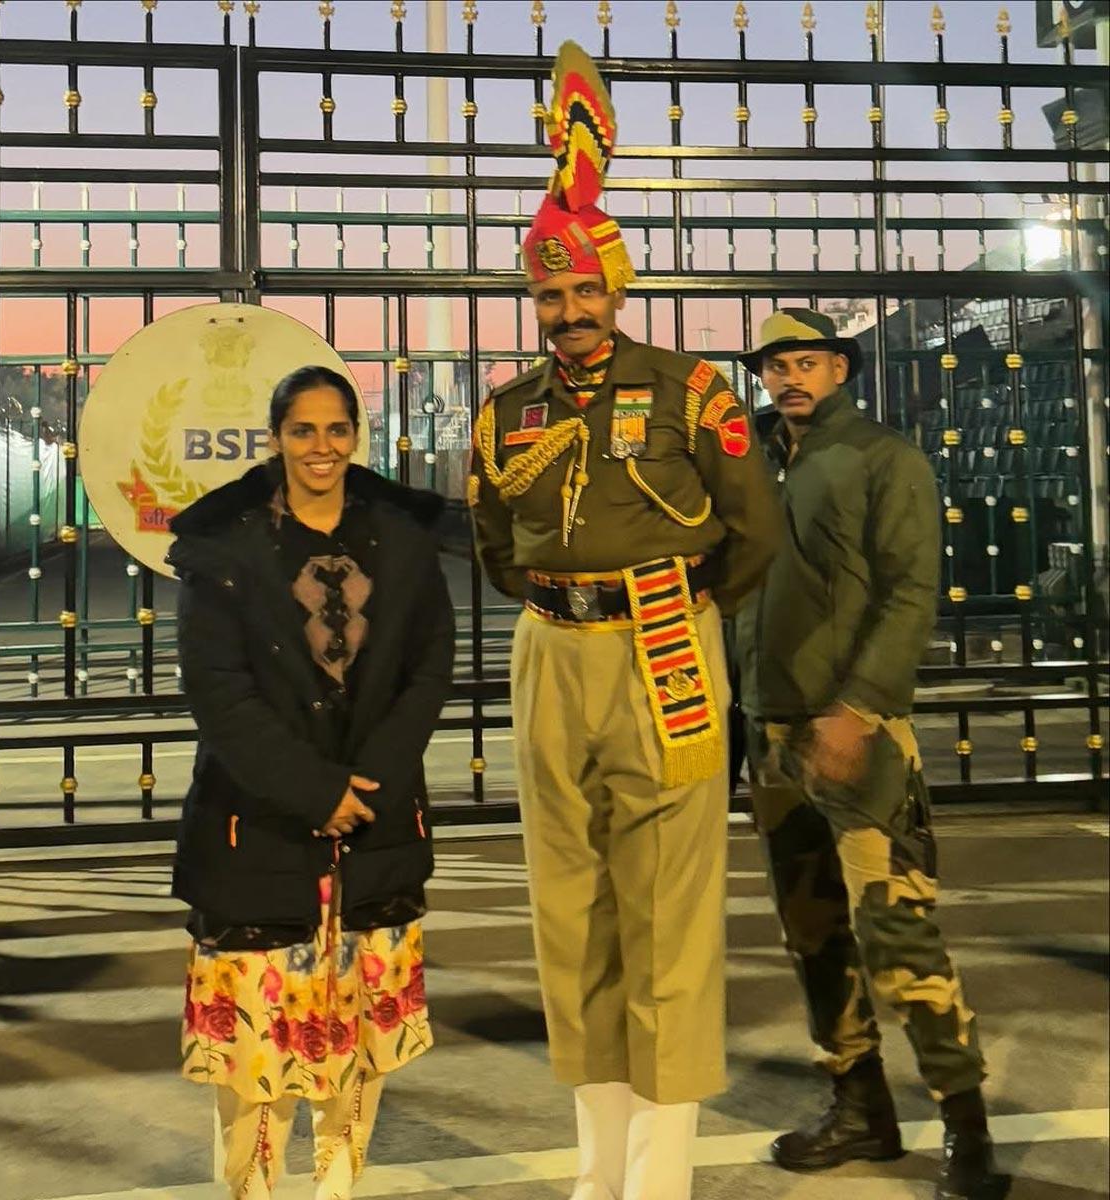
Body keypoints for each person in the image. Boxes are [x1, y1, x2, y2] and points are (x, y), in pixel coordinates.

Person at [469, 42, 781, 1200]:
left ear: (619, 286)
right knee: (569, 908)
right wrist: (565, 605)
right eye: (547, 294)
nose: (565, 312)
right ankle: (598, 1170)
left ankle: (662, 1180)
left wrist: (685, 608)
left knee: (671, 917)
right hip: (551, 649)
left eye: (583, 289)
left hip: (662, 643)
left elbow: (753, 534)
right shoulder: (504, 414)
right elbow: (498, 547)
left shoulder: (694, 391)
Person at [733, 309, 1005, 1200]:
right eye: (776, 366)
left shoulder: (884, 459)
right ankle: (859, 1105)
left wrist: (858, 707)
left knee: (897, 930)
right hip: (771, 734)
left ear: (839, 369)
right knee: (811, 931)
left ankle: (968, 1128)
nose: (790, 378)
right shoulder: (752, 463)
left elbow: (909, 593)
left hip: (859, 735)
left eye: (806, 362)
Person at [168, 364, 455, 1200]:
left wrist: (372, 776)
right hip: (258, 826)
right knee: (260, 1046)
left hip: (378, 818)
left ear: (354, 436)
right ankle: (254, 1186)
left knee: (363, 1033)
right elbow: (219, 695)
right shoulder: (227, 550)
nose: (321, 447)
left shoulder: (398, 540)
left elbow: (428, 664)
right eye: (303, 431)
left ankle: (341, 1181)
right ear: (276, 439)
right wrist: (314, 790)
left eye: (336, 430)